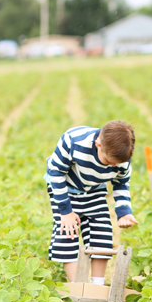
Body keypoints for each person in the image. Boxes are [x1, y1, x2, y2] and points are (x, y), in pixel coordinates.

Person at [45, 120, 138, 282]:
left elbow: (121, 183)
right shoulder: (73, 141)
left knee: (101, 233)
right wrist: (66, 212)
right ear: (98, 144)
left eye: (116, 164)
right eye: (109, 162)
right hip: (65, 187)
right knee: (68, 232)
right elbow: (56, 173)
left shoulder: (122, 158)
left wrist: (124, 212)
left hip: (94, 189)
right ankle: (76, 285)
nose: (112, 166)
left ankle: (97, 285)